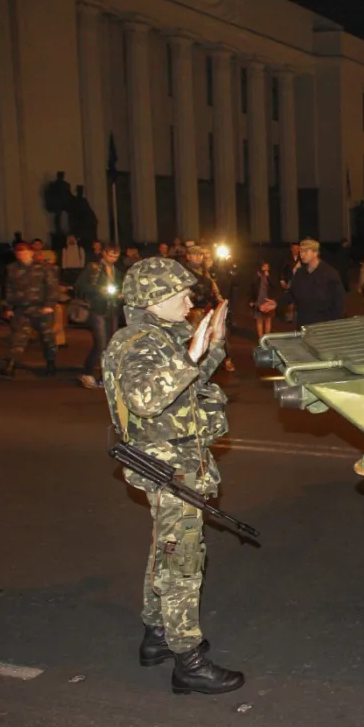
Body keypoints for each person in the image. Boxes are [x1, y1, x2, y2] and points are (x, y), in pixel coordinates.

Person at [102, 258, 244, 695]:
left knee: (166, 549)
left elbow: (190, 376)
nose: (189, 300)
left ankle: (156, 635)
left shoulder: (162, 337)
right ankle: (189, 661)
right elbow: (146, 398)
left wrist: (213, 343)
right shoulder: (137, 344)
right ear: (151, 301)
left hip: (177, 461)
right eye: (179, 294)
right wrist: (191, 355)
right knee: (182, 561)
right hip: (167, 466)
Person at [0, 241, 59, 378]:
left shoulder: (44, 268)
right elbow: (9, 289)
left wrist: (49, 305)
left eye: (25, 252)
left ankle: (51, 364)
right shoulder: (12, 268)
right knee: (18, 338)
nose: (22, 255)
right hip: (22, 309)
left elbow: (52, 287)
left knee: (47, 338)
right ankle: (10, 365)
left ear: (31, 253)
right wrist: (8, 307)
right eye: (19, 253)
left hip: (41, 309)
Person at [261, 238, 343, 327]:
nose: (301, 254)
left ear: (315, 253)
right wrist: (277, 303)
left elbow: (338, 303)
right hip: (304, 325)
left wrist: (334, 326)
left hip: (323, 327)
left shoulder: (330, 274)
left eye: (305, 251)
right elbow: (292, 294)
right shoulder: (300, 273)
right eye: (300, 251)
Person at [75, 244, 123, 388]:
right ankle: (87, 373)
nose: (113, 259)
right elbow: (80, 285)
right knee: (101, 343)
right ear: (103, 253)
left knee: (110, 345)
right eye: (110, 255)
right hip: (97, 309)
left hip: (112, 309)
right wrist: (98, 289)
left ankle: (105, 376)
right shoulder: (93, 268)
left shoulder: (117, 271)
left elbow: (121, 286)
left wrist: (120, 294)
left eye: (116, 256)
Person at [184, 244, 234, 372]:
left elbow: (214, 285)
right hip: (192, 310)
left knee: (218, 333)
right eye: (196, 255)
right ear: (188, 256)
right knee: (195, 338)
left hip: (208, 307)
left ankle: (224, 359)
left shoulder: (205, 270)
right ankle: (194, 366)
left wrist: (219, 300)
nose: (199, 257)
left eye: (200, 255)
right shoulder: (184, 271)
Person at [251, 261, 274, 337]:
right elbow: (252, 288)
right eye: (265, 266)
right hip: (258, 300)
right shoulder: (257, 275)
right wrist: (251, 300)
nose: (266, 268)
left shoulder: (269, 276)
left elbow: (274, 286)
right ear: (261, 267)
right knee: (259, 320)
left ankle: (267, 337)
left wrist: (268, 277)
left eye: (268, 266)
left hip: (268, 300)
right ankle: (261, 338)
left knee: (268, 319)